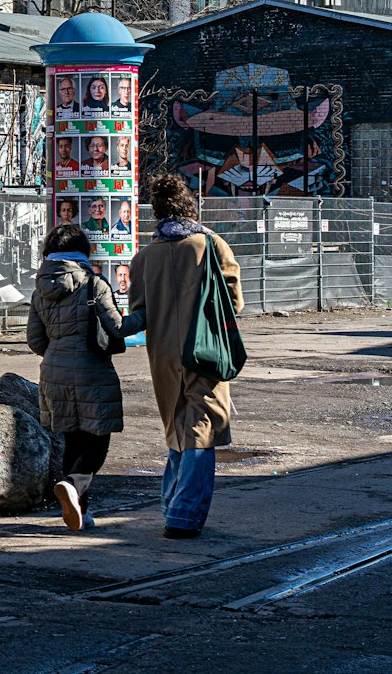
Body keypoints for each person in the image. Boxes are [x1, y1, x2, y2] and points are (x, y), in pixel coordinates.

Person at [126, 172, 243, 539]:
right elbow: (234, 302)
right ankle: (183, 514)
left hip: (162, 354)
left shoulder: (144, 258)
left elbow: (138, 313)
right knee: (201, 428)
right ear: (190, 205)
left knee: (177, 427)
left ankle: (171, 503)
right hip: (205, 350)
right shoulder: (211, 245)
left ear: (157, 212)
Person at [27, 223, 126, 531]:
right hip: (92, 371)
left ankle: (81, 512)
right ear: (82, 252)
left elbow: (35, 340)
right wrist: (147, 316)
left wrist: (58, 352)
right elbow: (117, 327)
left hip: (53, 372)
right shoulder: (94, 284)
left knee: (72, 439)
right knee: (97, 441)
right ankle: (71, 483)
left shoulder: (40, 290)